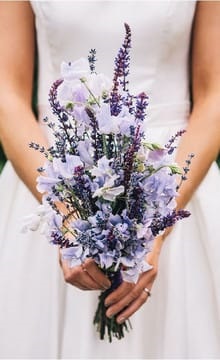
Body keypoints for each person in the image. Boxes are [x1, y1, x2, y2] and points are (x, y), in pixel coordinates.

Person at [0, 1, 219, 358]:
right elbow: (6, 92)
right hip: (53, 172)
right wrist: (68, 215)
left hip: (170, 174)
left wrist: (157, 224)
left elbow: (215, 95)